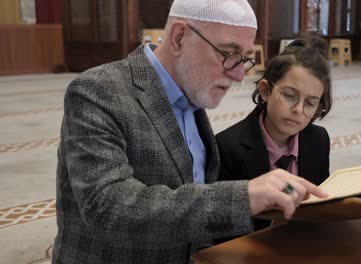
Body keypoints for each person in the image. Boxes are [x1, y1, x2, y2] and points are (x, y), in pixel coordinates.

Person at [52, 0, 327, 263]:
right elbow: (107, 206)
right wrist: (243, 197)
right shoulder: (99, 91)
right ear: (179, 37)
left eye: (244, 58)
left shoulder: (192, 100)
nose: (239, 75)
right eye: (228, 54)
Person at [216, 37, 333, 232]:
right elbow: (223, 227)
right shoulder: (227, 147)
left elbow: (320, 207)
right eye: (289, 95)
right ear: (265, 91)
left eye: (310, 103)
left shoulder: (318, 140)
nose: (298, 109)